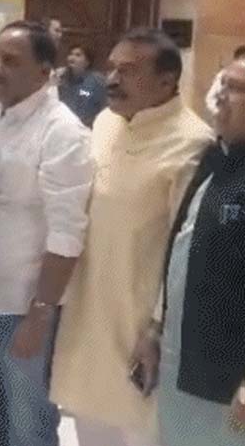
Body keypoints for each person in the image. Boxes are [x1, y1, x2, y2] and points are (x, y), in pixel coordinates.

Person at [51, 28, 212, 446]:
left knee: (139, 431)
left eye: (129, 70)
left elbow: (187, 250)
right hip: (88, 313)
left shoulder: (192, 143)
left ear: (167, 80)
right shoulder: (105, 122)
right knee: (89, 429)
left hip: (140, 325)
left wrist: (158, 328)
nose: (113, 79)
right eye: (113, 68)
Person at [0, 20, 93, 446]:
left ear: (43, 72)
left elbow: (67, 233)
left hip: (23, 307)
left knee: (28, 425)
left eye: (11, 61)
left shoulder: (62, 131)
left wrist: (41, 313)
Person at [147, 60, 245, 445]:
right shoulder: (213, 159)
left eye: (235, 88)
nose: (219, 94)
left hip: (231, 386)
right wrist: (155, 329)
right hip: (182, 362)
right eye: (222, 83)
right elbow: (181, 247)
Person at [56, 44, 107, 127]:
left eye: (78, 55)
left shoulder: (97, 81)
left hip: (87, 127)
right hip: (64, 125)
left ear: (87, 62)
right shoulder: (61, 78)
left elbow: (105, 106)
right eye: (70, 54)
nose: (72, 57)